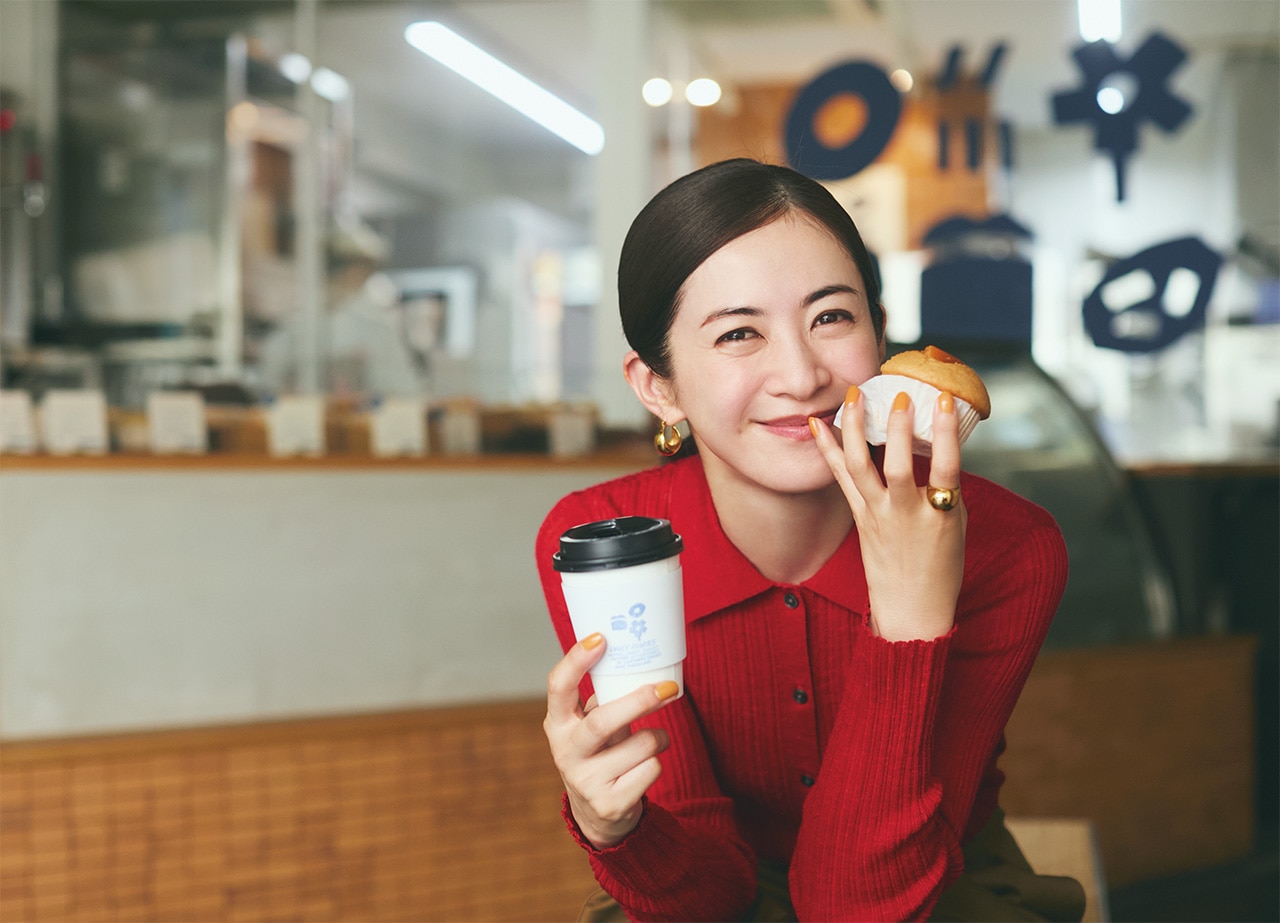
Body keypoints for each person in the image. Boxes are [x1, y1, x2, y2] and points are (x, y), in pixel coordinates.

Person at [535, 159, 1085, 922]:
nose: (800, 375)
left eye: (832, 317)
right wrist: (612, 829)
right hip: (699, 887)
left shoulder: (1006, 546)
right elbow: (702, 899)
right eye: (738, 332)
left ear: (881, 334)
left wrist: (910, 615)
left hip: (931, 880)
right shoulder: (608, 547)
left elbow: (856, 903)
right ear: (658, 386)